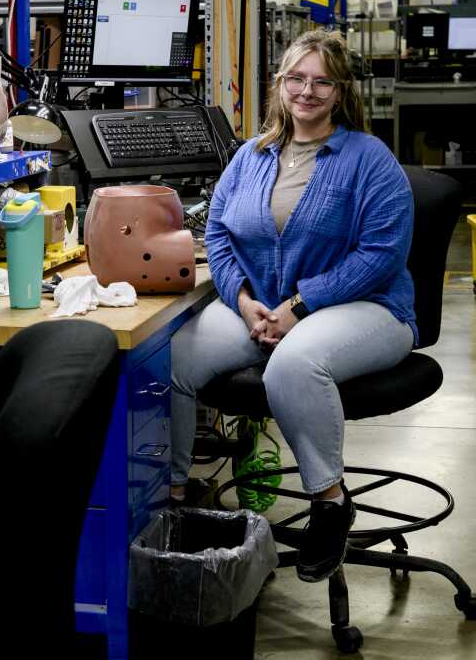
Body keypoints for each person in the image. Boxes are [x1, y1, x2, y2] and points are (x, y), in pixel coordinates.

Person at [169, 30, 417, 583]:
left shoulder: (367, 159)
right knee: (173, 360)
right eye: (296, 78)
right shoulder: (250, 155)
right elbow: (219, 231)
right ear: (280, 84)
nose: (307, 91)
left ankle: (330, 503)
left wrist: (300, 308)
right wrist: (243, 299)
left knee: (295, 363)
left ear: (339, 89)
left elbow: (382, 254)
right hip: (264, 307)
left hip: (369, 308)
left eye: (321, 80)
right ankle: (176, 496)